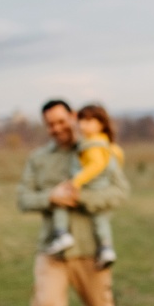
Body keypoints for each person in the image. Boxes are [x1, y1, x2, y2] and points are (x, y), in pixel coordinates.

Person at [17, 99, 131, 306]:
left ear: (73, 118)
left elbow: (120, 193)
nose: (56, 128)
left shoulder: (98, 149)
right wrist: (50, 197)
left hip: (90, 249)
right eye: (50, 124)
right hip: (52, 250)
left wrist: (81, 198)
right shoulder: (38, 159)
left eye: (61, 121)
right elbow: (23, 198)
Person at [43, 103, 126, 270]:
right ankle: (106, 247)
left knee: (66, 206)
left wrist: (76, 183)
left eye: (88, 121)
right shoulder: (104, 144)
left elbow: (97, 166)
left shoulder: (93, 144)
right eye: (81, 121)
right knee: (100, 220)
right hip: (94, 189)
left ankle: (62, 234)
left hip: (89, 189)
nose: (83, 125)